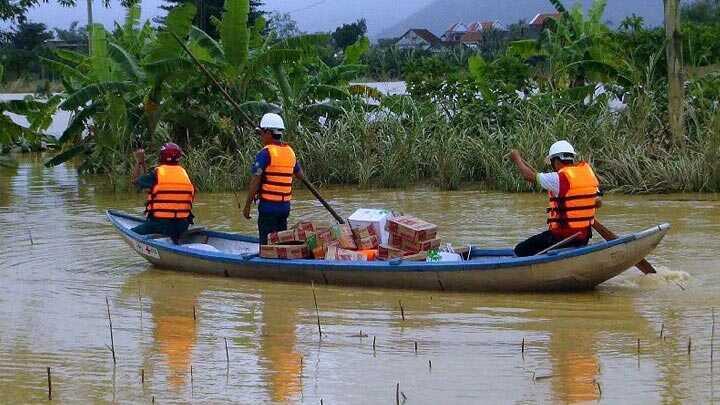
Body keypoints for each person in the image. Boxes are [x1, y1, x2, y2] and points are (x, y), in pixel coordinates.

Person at [509, 140, 601, 257]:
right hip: (583, 237)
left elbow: (528, 176)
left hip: (564, 237)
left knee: (520, 249)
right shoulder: (587, 175)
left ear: (556, 161)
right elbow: (598, 202)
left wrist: (517, 158)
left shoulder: (559, 178)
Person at [243, 113, 304, 245]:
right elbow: (300, 175)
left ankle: (265, 262)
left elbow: (255, 181)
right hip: (284, 208)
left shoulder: (265, 153)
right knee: (281, 242)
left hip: (268, 208)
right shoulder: (290, 152)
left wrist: (247, 206)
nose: (261, 137)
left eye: (262, 133)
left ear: (269, 133)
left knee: (266, 244)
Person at [131, 143, 195, 244]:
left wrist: (139, 162)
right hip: (182, 225)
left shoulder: (157, 174)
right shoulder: (184, 174)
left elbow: (135, 181)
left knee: (130, 234)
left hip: (161, 225)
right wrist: (143, 164)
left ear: (162, 157)